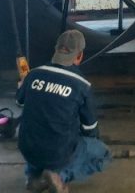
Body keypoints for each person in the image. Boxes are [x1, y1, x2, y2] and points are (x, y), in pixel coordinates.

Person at [16, 30, 112, 192]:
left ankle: (33, 176)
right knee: (103, 154)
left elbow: (19, 101)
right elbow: (90, 128)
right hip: (58, 152)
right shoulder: (82, 85)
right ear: (80, 55)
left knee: (37, 130)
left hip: (27, 147)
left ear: (56, 50)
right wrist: (87, 146)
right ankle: (61, 176)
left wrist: (22, 86)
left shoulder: (33, 74)